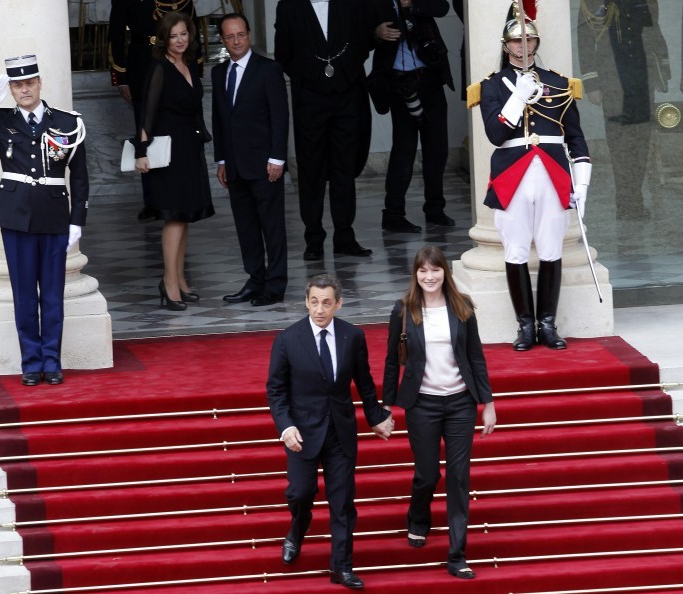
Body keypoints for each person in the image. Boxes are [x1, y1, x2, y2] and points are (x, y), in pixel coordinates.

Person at [467, 1, 591, 351]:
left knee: (551, 249)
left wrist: (581, 183)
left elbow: (576, 138)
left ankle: (547, 324)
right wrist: (516, 98)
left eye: (529, 40)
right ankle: (525, 326)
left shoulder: (559, 83)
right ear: (506, 45)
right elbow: (495, 134)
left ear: (536, 43)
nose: (523, 47)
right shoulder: (491, 86)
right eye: (516, 41)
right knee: (516, 250)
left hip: (552, 175)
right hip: (512, 176)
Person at [0, 55, 88, 386]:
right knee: (25, 295)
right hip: (15, 219)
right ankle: (31, 362)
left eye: (29, 82)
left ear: (40, 83)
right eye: (17, 85)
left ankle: (52, 361)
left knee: (53, 295)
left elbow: (81, 176)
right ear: (11, 90)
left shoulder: (68, 122)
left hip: (55, 216)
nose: (24, 89)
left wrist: (78, 220)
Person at [266, 274, 394, 589]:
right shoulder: (288, 339)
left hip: (340, 432)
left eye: (326, 302)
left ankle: (342, 566)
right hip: (302, 433)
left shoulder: (353, 336)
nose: (319, 309)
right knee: (300, 493)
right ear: (306, 302)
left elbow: (363, 381)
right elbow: (276, 390)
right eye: (313, 301)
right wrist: (286, 426)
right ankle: (298, 528)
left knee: (343, 501)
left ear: (338, 303)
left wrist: (376, 415)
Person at [381, 245, 495, 580]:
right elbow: (391, 362)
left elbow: (476, 358)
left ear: (446, 271)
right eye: (423, 271)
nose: (429, 277)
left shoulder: (462, 307)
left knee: (459, 477)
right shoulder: (403, 310)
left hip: (461, 403)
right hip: (422, 404)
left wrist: (487, 403)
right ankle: (418, 517)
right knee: (428, 474)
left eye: (435, 270)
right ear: (416, 274)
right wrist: (386, 407)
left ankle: (457, 554)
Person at [274, 0, 374, 260]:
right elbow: (283, 54)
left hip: (346, 93)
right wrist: (313, 76)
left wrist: (345, 71)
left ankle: (345, 236)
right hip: (309, 97)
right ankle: (314, 239)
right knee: (311, 169)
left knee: (344, 166)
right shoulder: (288, 6)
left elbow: (363, 41)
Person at [133, 11, 215, 311]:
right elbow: (148, 113)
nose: (180, 40)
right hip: (167, 151)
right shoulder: (159, 68)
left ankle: (178, 279)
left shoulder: (189, 64)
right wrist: (142, 150)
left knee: (185, 216)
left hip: (188, 148)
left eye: (184, 34)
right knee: (174, 216)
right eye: (174, 35)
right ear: (164, 38)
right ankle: (168, 284)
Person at [212, 13, 289, 307]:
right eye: (230, 37)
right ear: (223, 40)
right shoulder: (219, 74)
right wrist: (221, 160)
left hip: (264, 164)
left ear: (249, 35)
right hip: (234, 165)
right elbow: (219, 120)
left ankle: (275, 285)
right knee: (246, 227)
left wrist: (277, 159)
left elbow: (280, 117)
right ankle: (255, 280)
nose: (236, 41)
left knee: (272, 227)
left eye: (240, 35)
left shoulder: (268, 69)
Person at [108, 0, 201, 220]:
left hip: (178, 63)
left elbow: (192, 26)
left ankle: (181, 193)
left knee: (179, 131)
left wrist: (195, 67)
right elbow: (116, 32)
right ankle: (152, 200)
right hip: (141, 65)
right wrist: (121, 75)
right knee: (146, 132)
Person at [370, 0, 458, 233]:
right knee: (404, 148)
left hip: (429, 77)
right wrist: (376, 33)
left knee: (437, 147)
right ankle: (393, 214)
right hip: (397, 82)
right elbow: (359, 31)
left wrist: (413, 4)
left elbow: (442, 7)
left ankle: (435, 210)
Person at [577, 0, 670, 220]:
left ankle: (635, 199)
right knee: (619, 144)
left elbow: (654, 29)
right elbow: (585, 41)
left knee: (641, 141)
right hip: (612, 81)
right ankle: (626, 203)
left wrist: (662, 70)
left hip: (642, 77)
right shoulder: (592, 2)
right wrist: (592, 83)